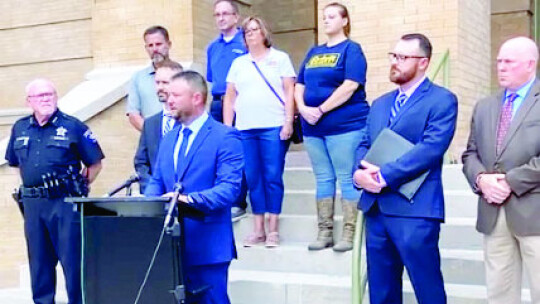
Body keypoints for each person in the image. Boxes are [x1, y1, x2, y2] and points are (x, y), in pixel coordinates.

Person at [353, 33, 457, 304]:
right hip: (377, 209)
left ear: (423, 62)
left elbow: (431, 149)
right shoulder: (380, 104)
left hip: (416, 211)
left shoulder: (442, 100)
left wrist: (385, 175)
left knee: (428, 289)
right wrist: (358, 174)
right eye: (393, 56)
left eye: (402, 57)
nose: (394, 62)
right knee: (382, 292)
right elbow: (364, 143)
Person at [145, 71, 243, 304]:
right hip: (169, 247)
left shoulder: (225, 137)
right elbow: (157, 180)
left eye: (176, 95)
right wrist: (147, 206)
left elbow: (229, 189)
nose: (169, 100)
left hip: (207, 246)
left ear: (197, 98)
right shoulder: (169, 137)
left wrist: (187, 199)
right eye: (168, 95)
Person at [5, 78, 104, 304]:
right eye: (40, 96)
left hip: (64, 203)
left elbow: (95, 164)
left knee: (73, 263)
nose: (46, 99)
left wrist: (80, 187)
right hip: (33, 205)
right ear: (29, 101)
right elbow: (16, 163)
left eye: (50, 94)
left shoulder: (73, 126)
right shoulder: (20, 127)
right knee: (39, 264)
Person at [462, 36, 540, 304]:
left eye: (509, 62)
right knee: (500, 294)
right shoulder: (485, 106)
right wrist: (481, 179)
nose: (501, 67)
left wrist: (510, 181)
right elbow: (470, 153)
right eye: (499, 61)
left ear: (530, 64)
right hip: (494, 214)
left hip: (535, 212)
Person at [294, 2, 368, 252]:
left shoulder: (351, 50)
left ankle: (350, 233)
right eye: (324, 17)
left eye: (332, 16)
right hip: (313, 128)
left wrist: (321, 109)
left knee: (347, 177)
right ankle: (324, 232)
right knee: (324, 178)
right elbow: (299, 84)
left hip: (345, 126)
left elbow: (350, 85)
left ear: (345, 21)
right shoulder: (313, 52)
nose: (326, 21)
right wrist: (303, 108)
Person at [223, 16, 295, 247]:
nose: (250, 34)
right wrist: (228, 128)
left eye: (255, 30)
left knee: (272, 176)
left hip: (273, 126)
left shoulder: (280, 58)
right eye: (246, 31)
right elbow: (230, 97)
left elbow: (289, 91)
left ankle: (273, 229)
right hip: (245, 128)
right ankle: (258, 229)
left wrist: (288, 122)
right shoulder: (238, 63)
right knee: (253, 178)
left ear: (264, 32)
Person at [207, 0, 248, 221]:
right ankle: (221, 198)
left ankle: (238, 201)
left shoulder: (245, 42)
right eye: (217, 15)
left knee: (237, 150)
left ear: (236, 17)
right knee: (218, 151)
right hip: (217, 102)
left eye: (225, 14)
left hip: (240, 102)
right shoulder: (212, 47)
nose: (221, 18)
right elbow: (212, 79)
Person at [134, 59, 183, 193]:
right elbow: (141, 162)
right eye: (157, 82)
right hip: (155, 199)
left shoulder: (189, 121)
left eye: (165, 83)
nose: (160, 87)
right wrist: (152, 190)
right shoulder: (150, 123)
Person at [127, 25, 172, 131]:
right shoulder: (138, 78)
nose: (155, 49)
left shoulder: (184, 74)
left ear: (169, 45)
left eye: (159, 44)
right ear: (146, 48)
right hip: (151, 141)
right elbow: (133, 114)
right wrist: (152, 135)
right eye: (150, 45)